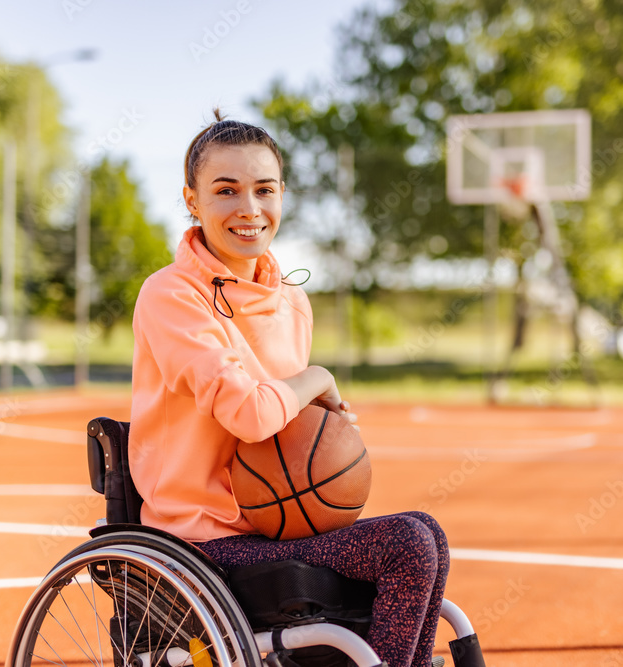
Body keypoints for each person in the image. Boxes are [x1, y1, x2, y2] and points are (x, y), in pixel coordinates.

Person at [129, 110, 449, 667]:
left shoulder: (290, 301)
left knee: (427, 533)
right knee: (408, 545)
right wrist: (318, 378)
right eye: (225, 191)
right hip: (202, 540)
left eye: (264, 189)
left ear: (282, 196)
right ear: (191, 200)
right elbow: (252, 417)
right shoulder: (171, 296)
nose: (248, 209)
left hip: (274, 522)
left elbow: (284, 434)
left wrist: (326, 439)